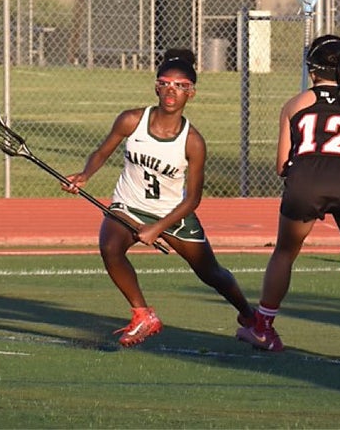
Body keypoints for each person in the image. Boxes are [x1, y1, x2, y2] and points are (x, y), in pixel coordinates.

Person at [63, 48, 255, 347]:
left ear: (191, 93)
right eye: (165, 83)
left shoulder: (193, 142)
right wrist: (85, 175)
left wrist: (157, 228)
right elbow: (102, 152)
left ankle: (251, 317)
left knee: (211, 273)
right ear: (156, 86)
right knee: (111, 247)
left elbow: (192, 199)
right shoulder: (131, 120)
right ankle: (143, 315)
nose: (171, 91)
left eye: (180, 86)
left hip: (173, 215)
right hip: (129, 204)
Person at [235, 35, 340, 366]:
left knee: (284, 252)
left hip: (305, 181)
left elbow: (281, 164)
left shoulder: (294, 105)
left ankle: (263, 328)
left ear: (311, 70)